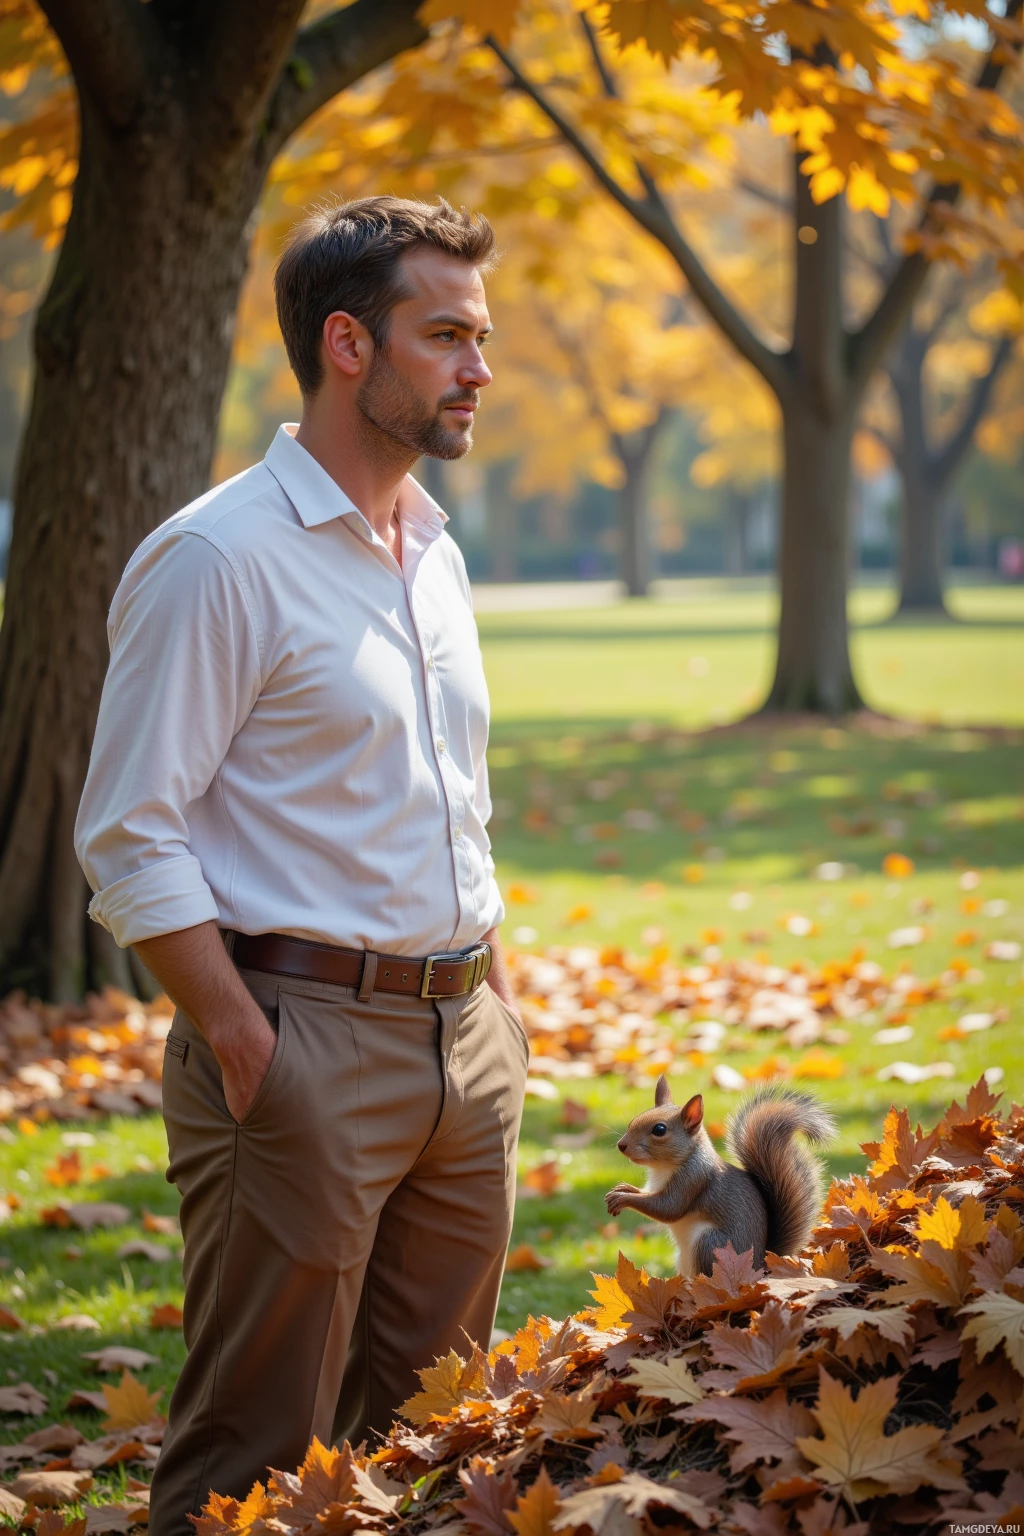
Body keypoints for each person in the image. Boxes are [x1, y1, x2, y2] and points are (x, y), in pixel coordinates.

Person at [74, 196, 529, 1536]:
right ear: (348, 345)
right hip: (298, 1040)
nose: (479, 370)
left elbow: (453, 797)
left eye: (481, 335)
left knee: (437, 1432)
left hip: (463, 1045)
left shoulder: (432, 554)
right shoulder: (217, 558)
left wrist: (491, 997)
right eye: (446, 334)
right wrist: (239, 1032)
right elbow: (131, 825)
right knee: (256, 1452)